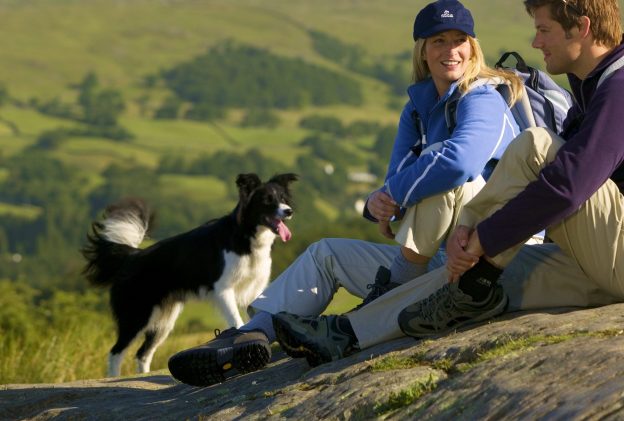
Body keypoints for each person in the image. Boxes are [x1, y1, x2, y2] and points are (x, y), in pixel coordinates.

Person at [167, 0, 523, 386]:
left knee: (444, 165)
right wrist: (379, 203)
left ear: (473, 47)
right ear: (422, 49)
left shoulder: (483, 97)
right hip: (432, 260)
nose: (450, 51)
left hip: (486, 259)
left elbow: (460, 163)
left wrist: (394, 197)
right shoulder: (419, 108)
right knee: (326, 254)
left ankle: (385, 297)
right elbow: (394, 180)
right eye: (438, 41)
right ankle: (251, 337)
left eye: (459, 40)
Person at [273, 0, 624, 366]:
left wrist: (483, 237)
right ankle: (346, 333)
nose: (535, 43)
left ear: (582, 28)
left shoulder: (619, 86)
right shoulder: (594, 86)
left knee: (535, 144)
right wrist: (475, 238)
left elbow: (568, 186)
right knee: (478, 283)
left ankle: (470, 261)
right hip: (598, 260)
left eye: (543, 29)